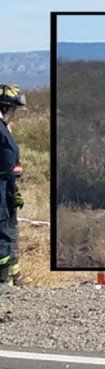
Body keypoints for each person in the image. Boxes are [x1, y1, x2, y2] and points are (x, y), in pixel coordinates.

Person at [0, 84, 25, 288]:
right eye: (13, 109)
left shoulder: (3, 128)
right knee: (4, 234)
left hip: (6, 188)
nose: (14, 114)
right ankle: (4, 281)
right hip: (1, 189)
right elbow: (8, 164)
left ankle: (12, 277)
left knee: (9, 233)